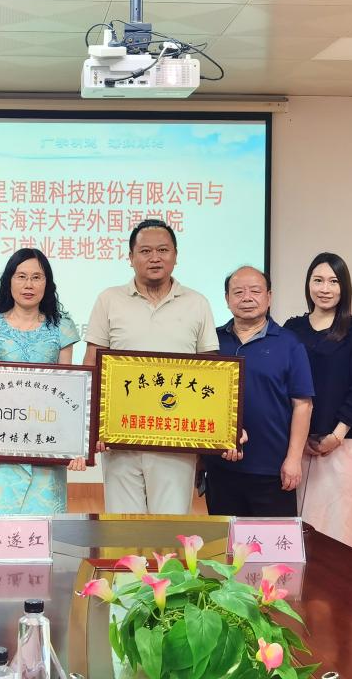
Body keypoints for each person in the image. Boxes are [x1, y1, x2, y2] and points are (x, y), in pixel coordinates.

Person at [83, 219, 219, 514]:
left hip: (176, 438)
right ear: (130, 257)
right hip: (120, 438)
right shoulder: (109, 299)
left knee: (169, 527)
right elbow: (92, 363)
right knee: (123, 527)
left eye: (163, 250)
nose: (154, 258)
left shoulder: (197, 303)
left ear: (175, 256)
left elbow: (212, 371)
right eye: (145, 251)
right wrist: (92, 426)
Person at [0, 248, 85, 514]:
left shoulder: (62, 328)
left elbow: (68, 393)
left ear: (47, 283)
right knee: (1, 526)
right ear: (8, 280)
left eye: (37, 277)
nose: (28, 284)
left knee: (45, 528)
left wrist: (77, 446)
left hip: (47, 444)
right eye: (21, 276)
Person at [205, 266, 314, 517]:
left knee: (273, 541)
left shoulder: (289, 343)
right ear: (227, 299)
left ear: (269, 297)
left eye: (255, 291)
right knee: (226, 540)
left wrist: (293, 459)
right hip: (221, 467)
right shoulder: (212, 342)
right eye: (238, 292)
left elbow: (303, 405)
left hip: (273, 470)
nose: (247, 298)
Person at [284, 253, 352, 550]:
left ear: (343, 287)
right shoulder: (291, 330)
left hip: (342, 445)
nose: (325, 289)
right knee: (300, 526)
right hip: (298, 446)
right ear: (308, 284)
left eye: (333, 282)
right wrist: (299, 441)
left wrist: (335, 436)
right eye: (318, 280)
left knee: (340, 525)